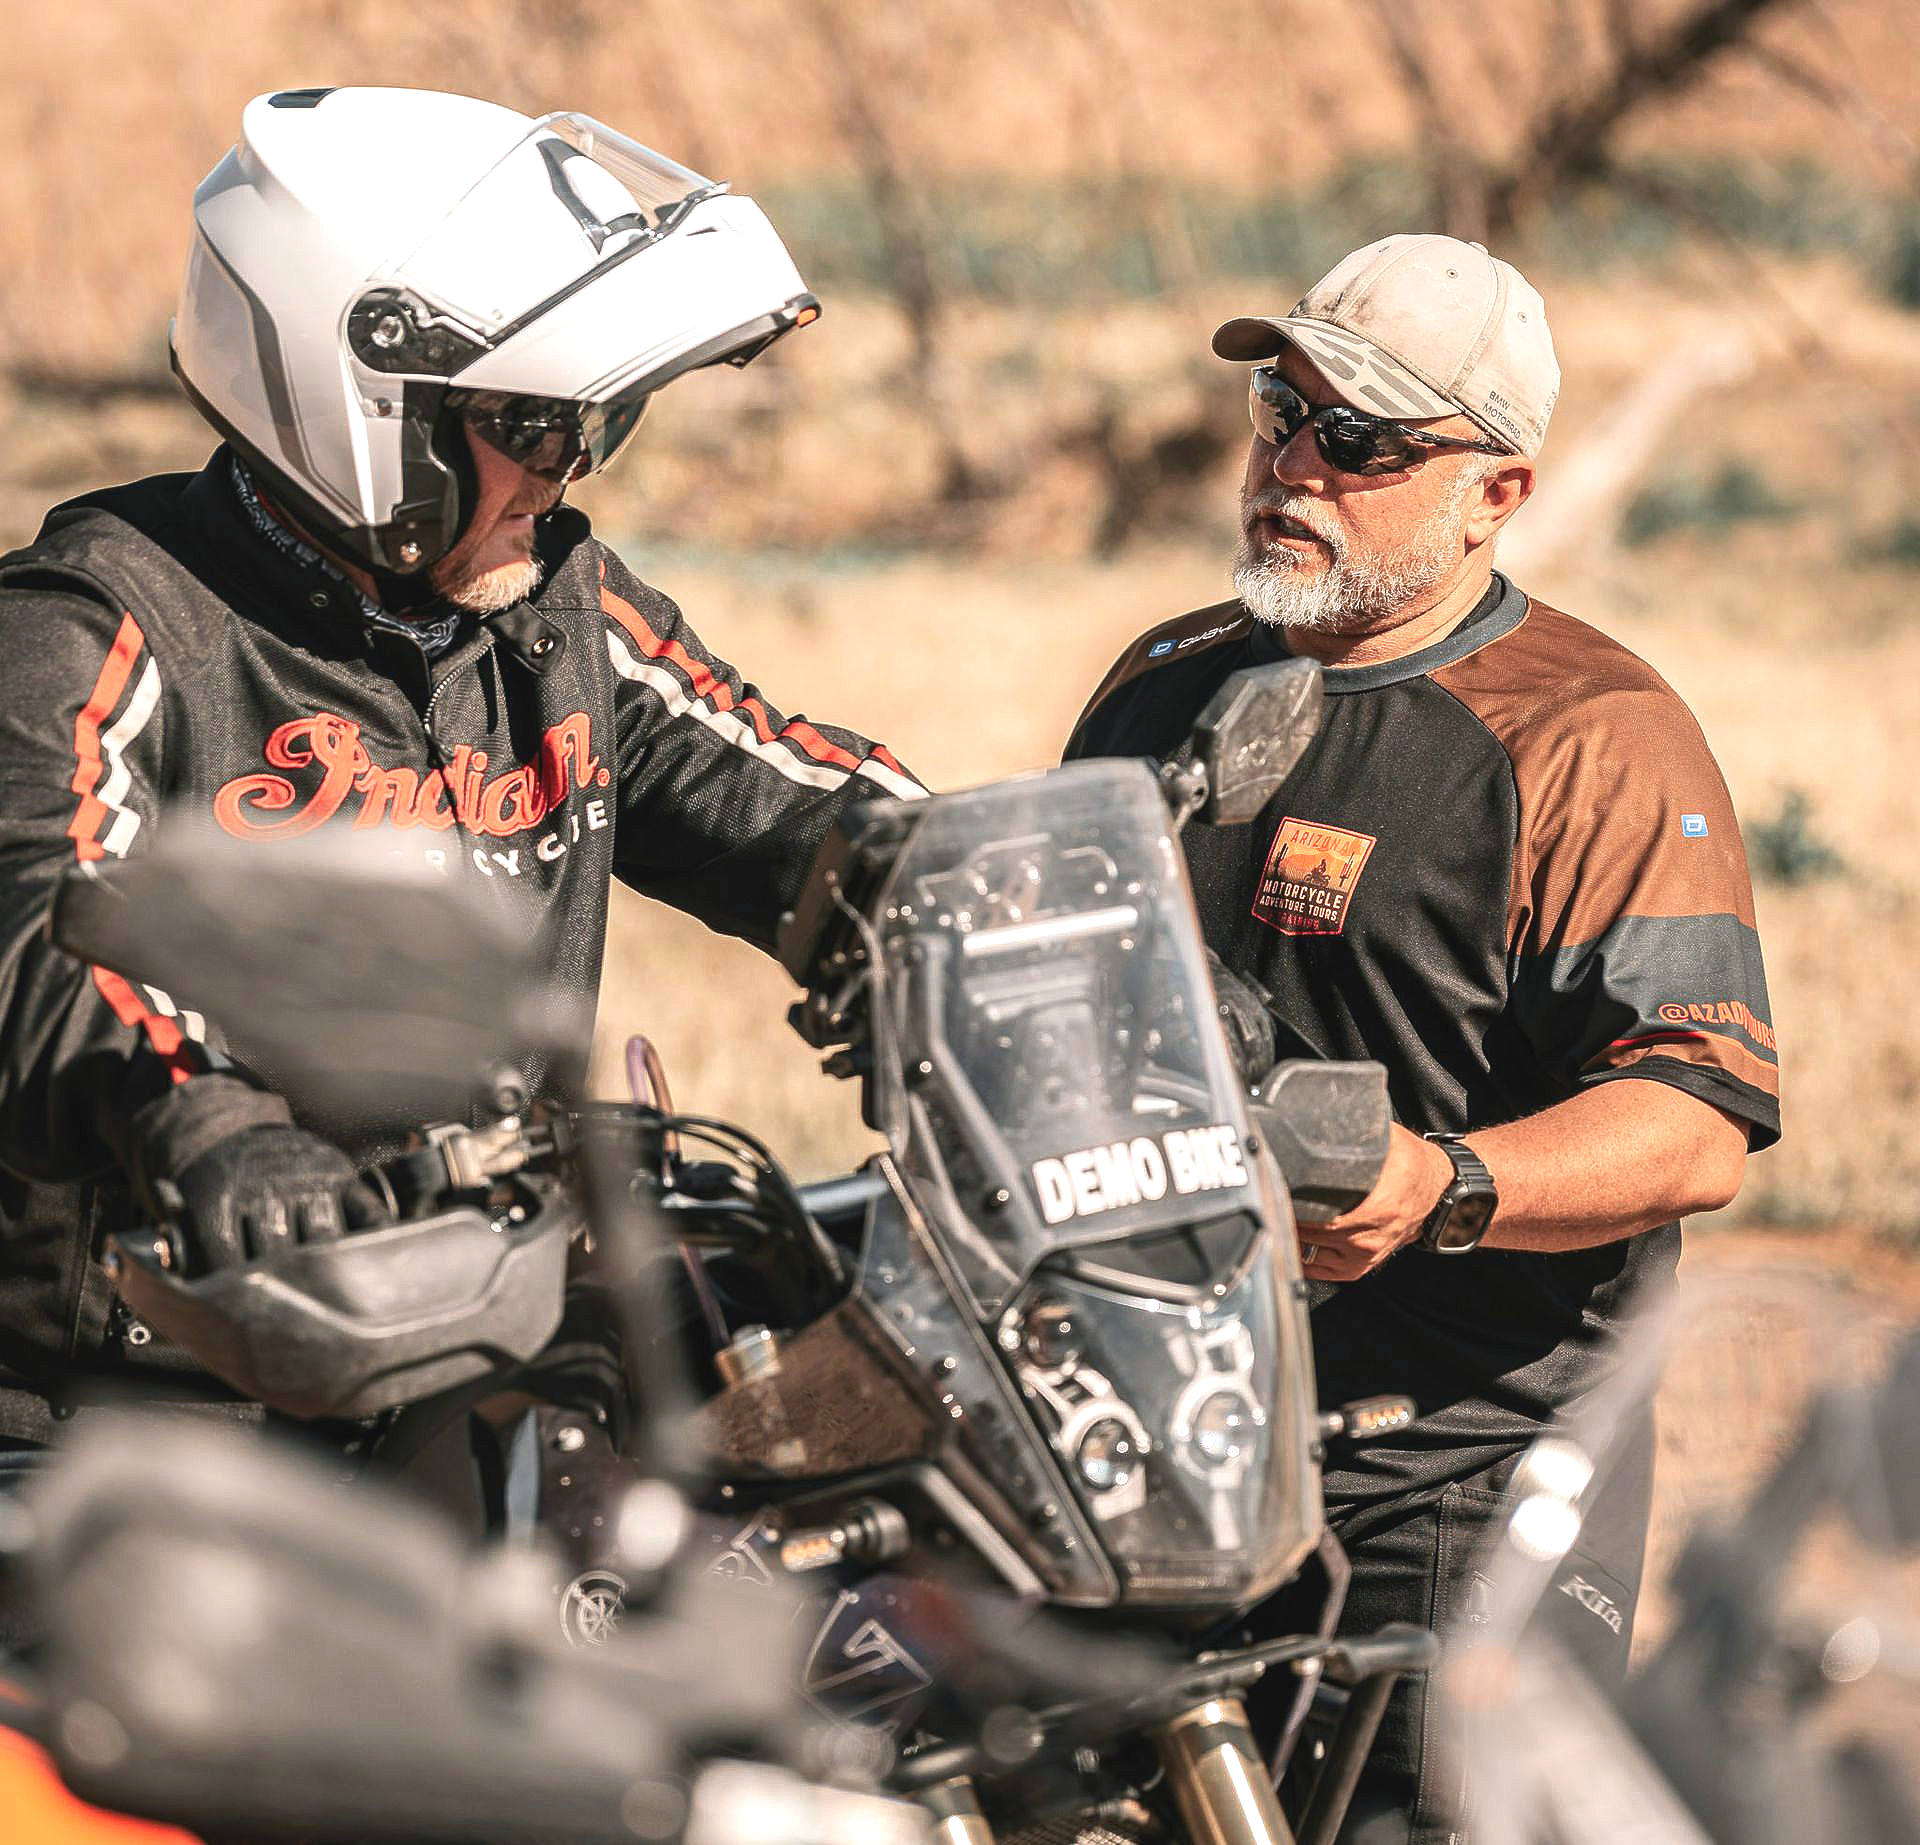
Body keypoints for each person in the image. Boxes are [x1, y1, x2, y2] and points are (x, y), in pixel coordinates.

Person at [0, 87, 920, 1453]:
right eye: (539, 427)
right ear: (367, 406)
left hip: (475, 1351)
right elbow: (35, 922)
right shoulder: (98, 620)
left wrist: (1015, 908)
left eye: (597, 426)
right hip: (141, 1407)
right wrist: (204, 1118)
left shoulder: (559, 623)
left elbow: (799, 796)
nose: (572, 473)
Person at [1066, 234, 1779, 1841]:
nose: (1291, 466)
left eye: (1362, 441)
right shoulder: (1164, 684)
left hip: (1457, 1480)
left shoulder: (1590, 735)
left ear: (1497, 492)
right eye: (1279, 410)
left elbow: (1695, 1118)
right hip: (1161, 1437)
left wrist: (1438, 1184)